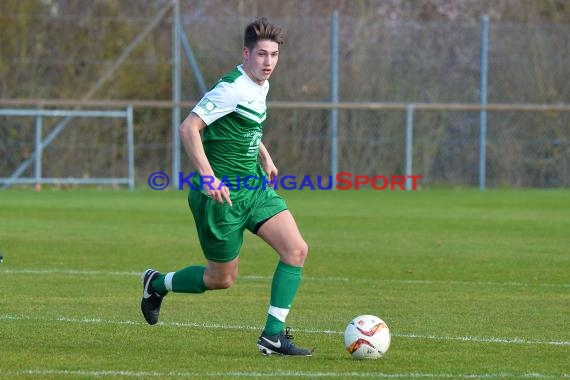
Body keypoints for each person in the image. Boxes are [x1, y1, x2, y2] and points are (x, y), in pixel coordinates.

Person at [140, 17, 312, 356]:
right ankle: (157, 283)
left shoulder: (261, 85)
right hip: (221, 198)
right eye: (262, 54)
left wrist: (264, 155)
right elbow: (189, 128)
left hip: (254, 187)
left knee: (296, 250)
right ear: (246, 54)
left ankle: (273, 336)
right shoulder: (231, 87)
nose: (268, 63)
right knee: (221, 279)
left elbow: (243, 126)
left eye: (274, 55)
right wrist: (207, 176)